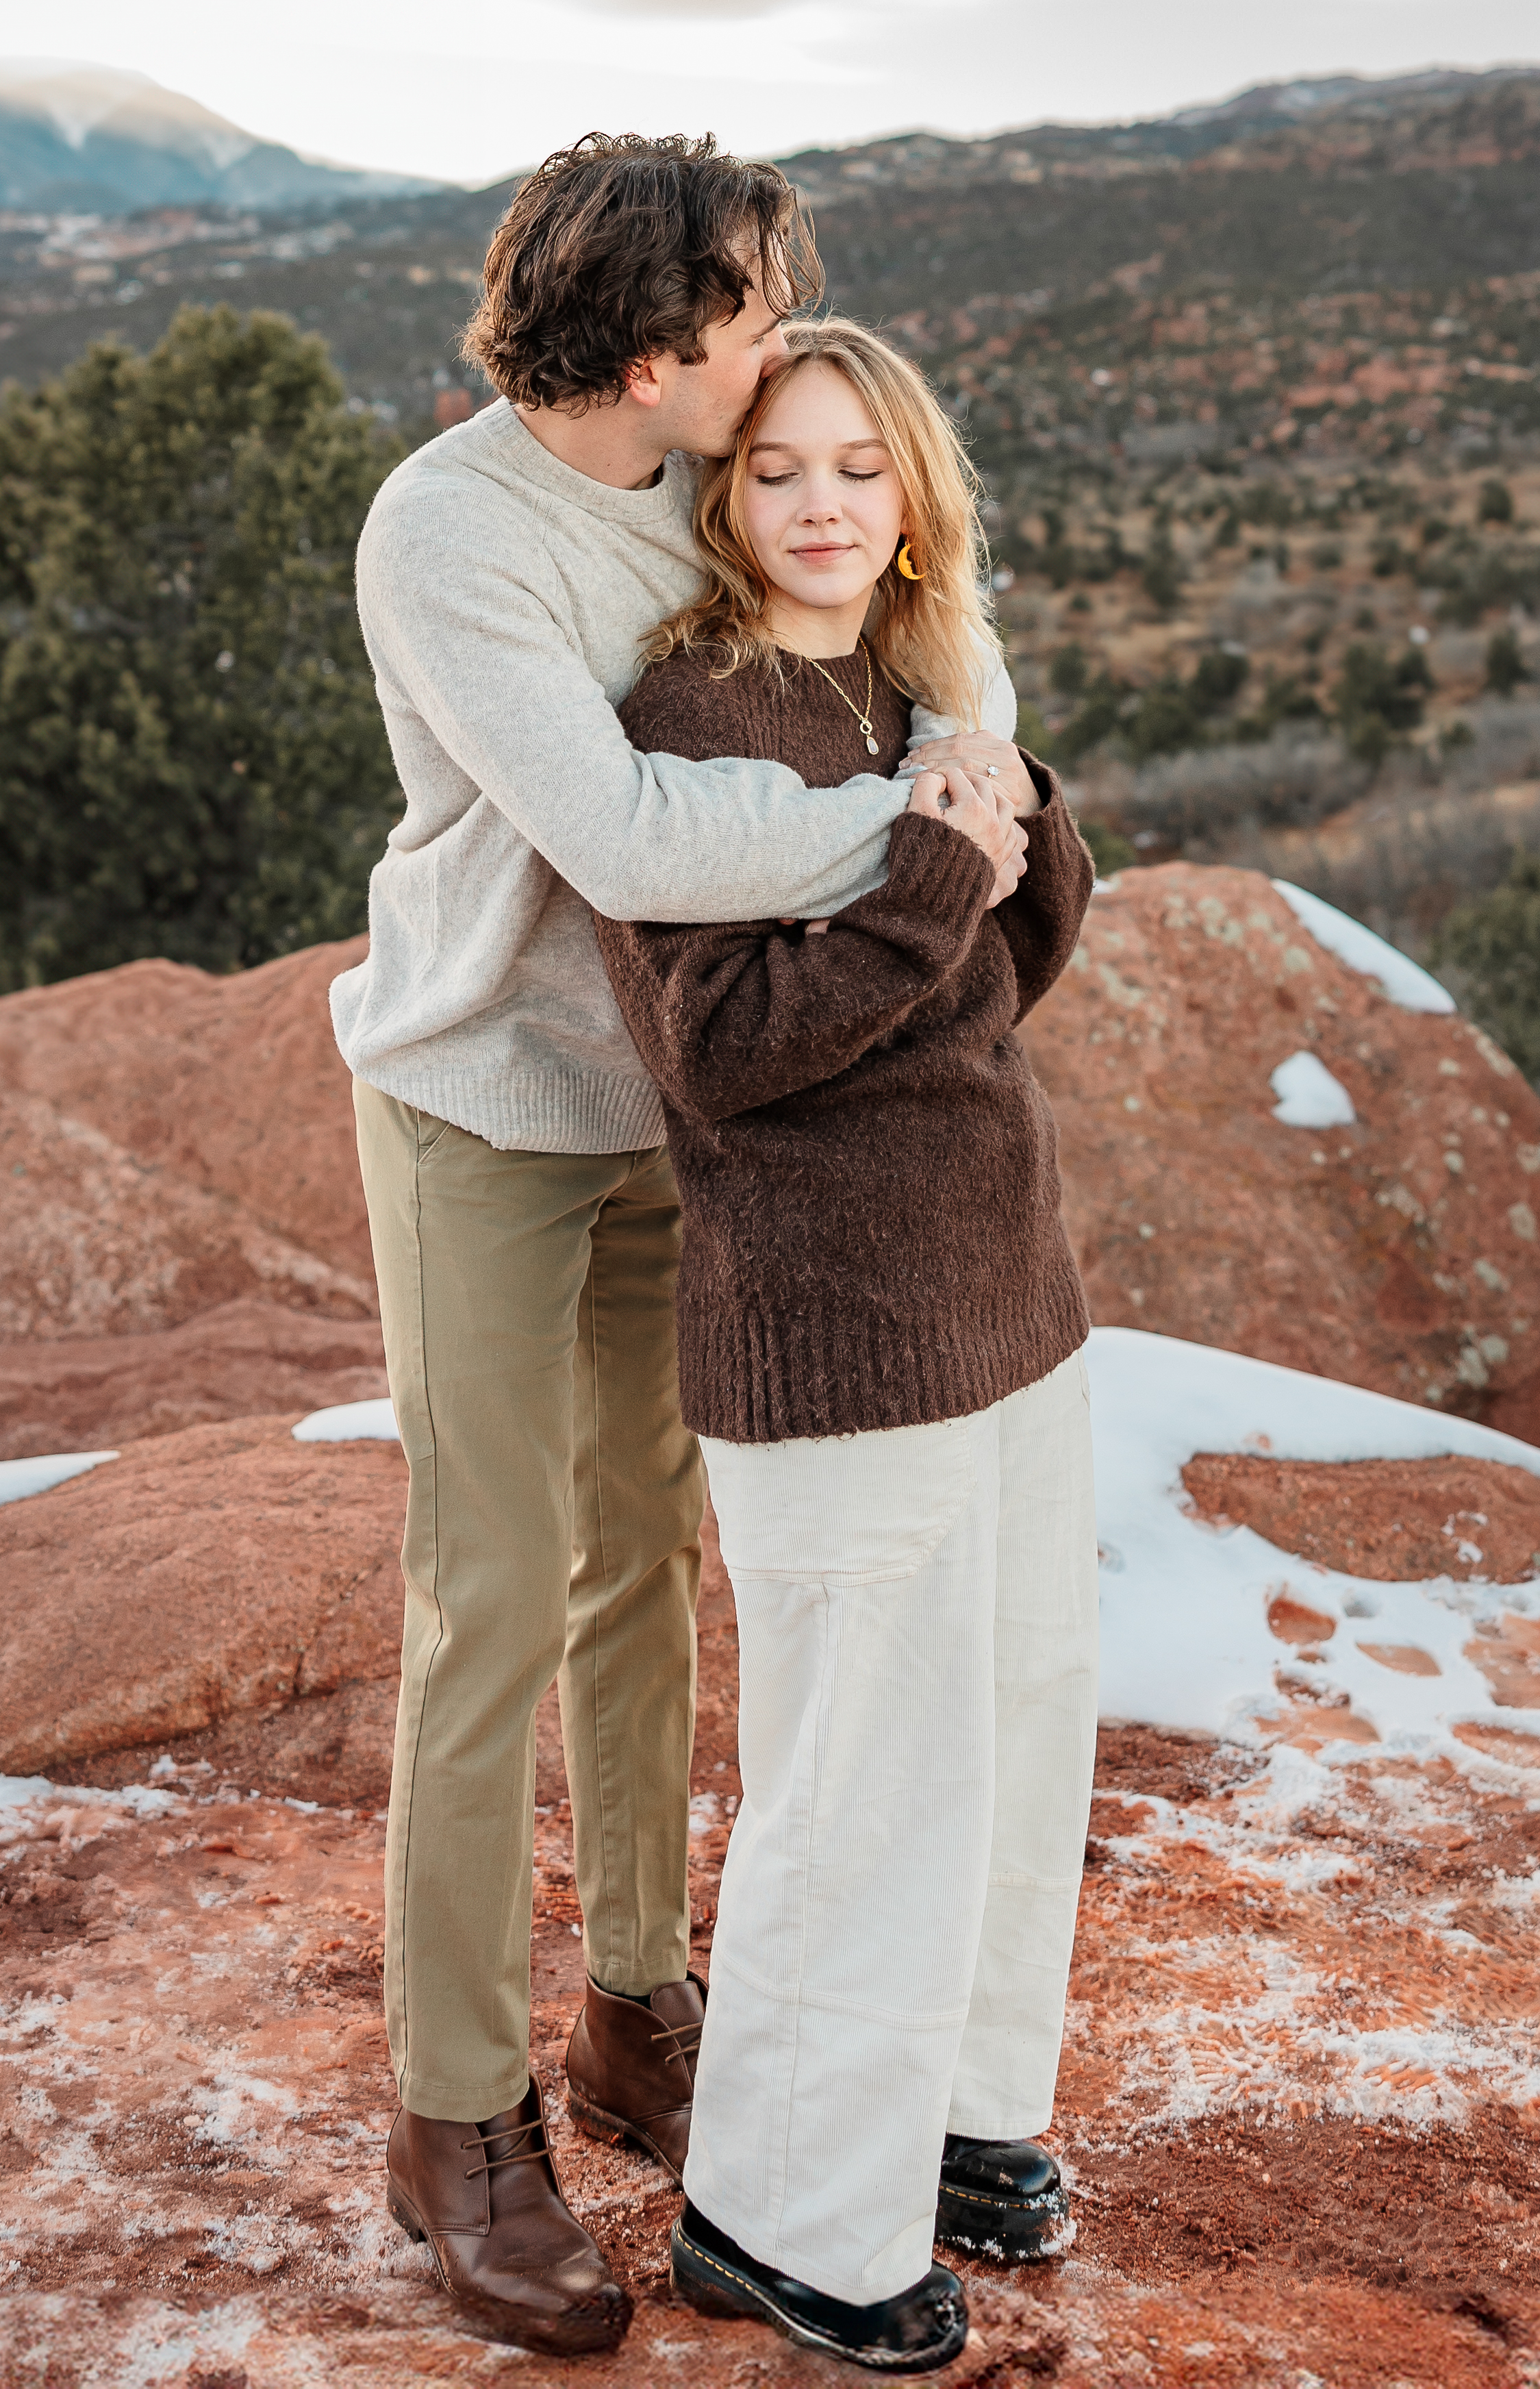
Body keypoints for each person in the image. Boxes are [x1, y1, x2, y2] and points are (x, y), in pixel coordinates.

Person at [327, 137, 1030, 2360]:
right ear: (656, 349)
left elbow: (912, 636)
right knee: (493, 1595)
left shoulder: (707, 469)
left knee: (651, 1561)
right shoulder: (450, 536)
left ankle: (641, 2008)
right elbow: (627, 831)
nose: (780, 325)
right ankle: (457, 2115)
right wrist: (918, 832)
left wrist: (972, 759)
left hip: (683, 1104)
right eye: (752, 302)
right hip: (482, 1106)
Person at [592, 316, 1098, 2377]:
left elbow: (1007, 962)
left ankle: (959, 2117)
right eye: (781, 466)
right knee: (865, 1775)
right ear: (725, 490)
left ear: (914, 501)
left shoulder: (911, 675)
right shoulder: (684, 713)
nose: (819, 505)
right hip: (832, 1323)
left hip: (1008, 1287)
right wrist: (928, 872)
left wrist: (1015, 809)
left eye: (859, 471)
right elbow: (715, 1056)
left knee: (1012, 1722)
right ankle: (778, 2212)